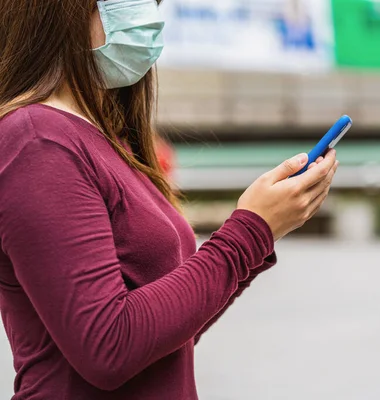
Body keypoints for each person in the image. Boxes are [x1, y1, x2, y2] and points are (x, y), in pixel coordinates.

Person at [0, 1, 338, 399]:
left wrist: (260, 234)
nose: (150, 14)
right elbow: (108, 348)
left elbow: (165, 342)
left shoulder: (107, 137)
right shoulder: (37, 140)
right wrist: (249, 231)